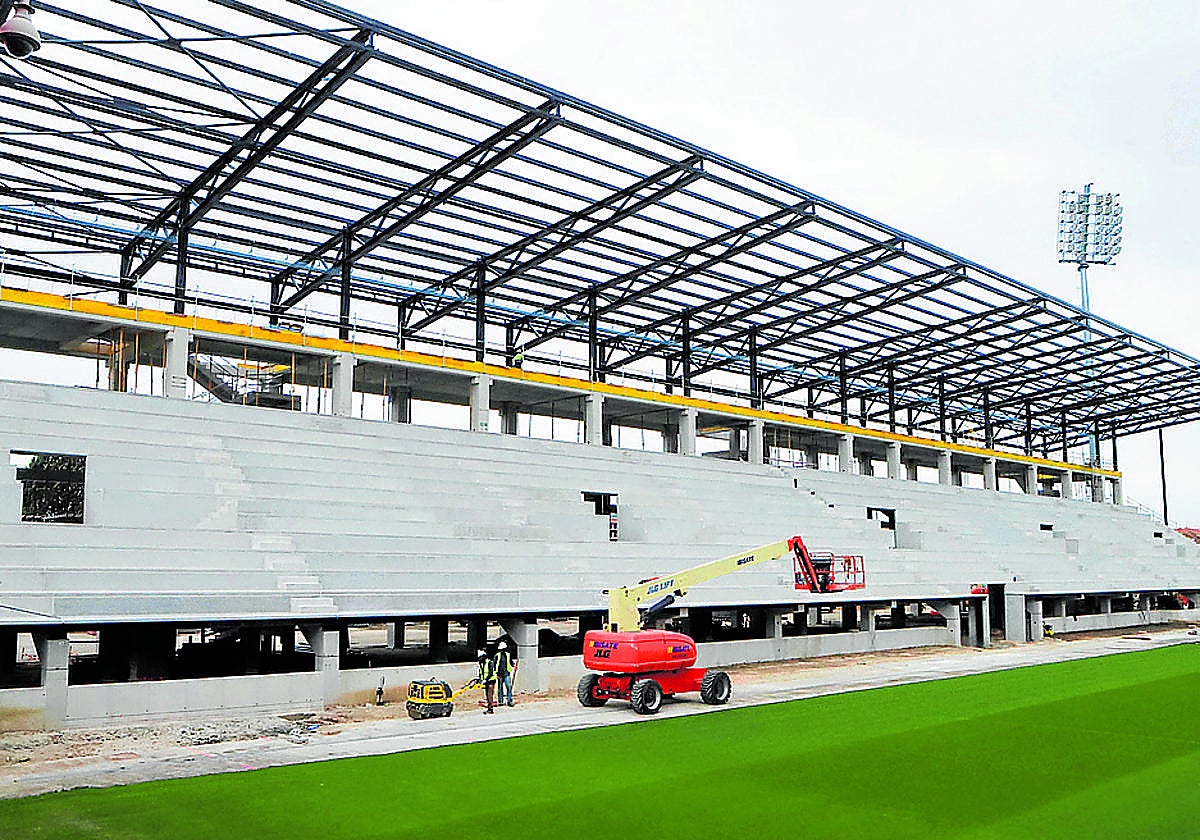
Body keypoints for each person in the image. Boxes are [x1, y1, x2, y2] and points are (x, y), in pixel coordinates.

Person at [496, 640, 516, 707]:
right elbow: (494, 665)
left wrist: (514, 665)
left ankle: (509, 700)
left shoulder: (508, 655)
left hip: (506, 673)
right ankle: (500, 701)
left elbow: (510, 662)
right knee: (500, 688)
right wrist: (496, 673)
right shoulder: (497, 656)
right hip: (499, 674)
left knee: (508, 687)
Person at [476, 648, 497, 714]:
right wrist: (479, 680)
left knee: (489, 694)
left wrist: (486, 679)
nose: (479, 659)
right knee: (487, 695)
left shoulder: (489, 663)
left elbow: (490, 672)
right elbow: (481, 673)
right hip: (486, 681)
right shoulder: (481, 664)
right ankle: (489, 707)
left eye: (480, 658)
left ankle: (490, 709)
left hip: (491, 680)